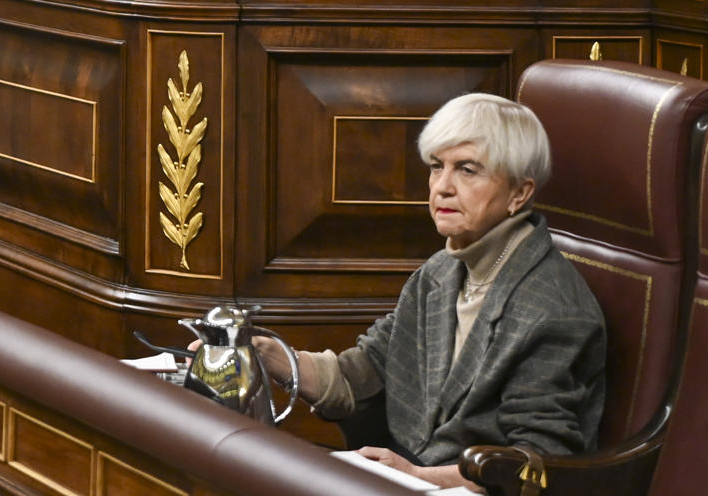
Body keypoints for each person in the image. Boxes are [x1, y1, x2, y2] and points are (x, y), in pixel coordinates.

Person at [250, 94, 604, 488]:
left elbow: (537, 463)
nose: (443, 187)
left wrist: (418, 475)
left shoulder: (552, 308)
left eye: (467, 170)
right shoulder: (440, 270)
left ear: (519, 193)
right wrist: (272, 359)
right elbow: (370, 369)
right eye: (437, 167)